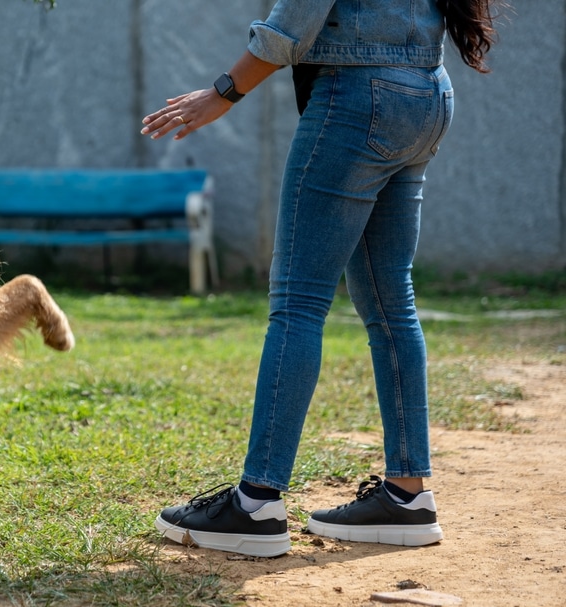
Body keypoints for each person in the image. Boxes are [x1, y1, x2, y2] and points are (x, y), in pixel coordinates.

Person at [141, 0, 506, 558]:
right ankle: (407, 496)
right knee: (391, 304)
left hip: (356, 102)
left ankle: (257, 503)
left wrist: (222, 92)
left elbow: (292, 25)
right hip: (426, 92)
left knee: (298, 303)